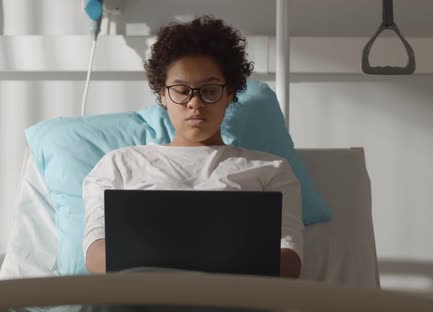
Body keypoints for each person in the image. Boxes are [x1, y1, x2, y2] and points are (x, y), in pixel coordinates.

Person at [82, 15, 303, 278]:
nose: (195, 103)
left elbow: (289, 263)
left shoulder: (271, 172)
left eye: (209, 90)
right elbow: (96, 258)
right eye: (181, 90)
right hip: (141, 300)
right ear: (162, 94)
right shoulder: (118, 166)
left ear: (230, 92)